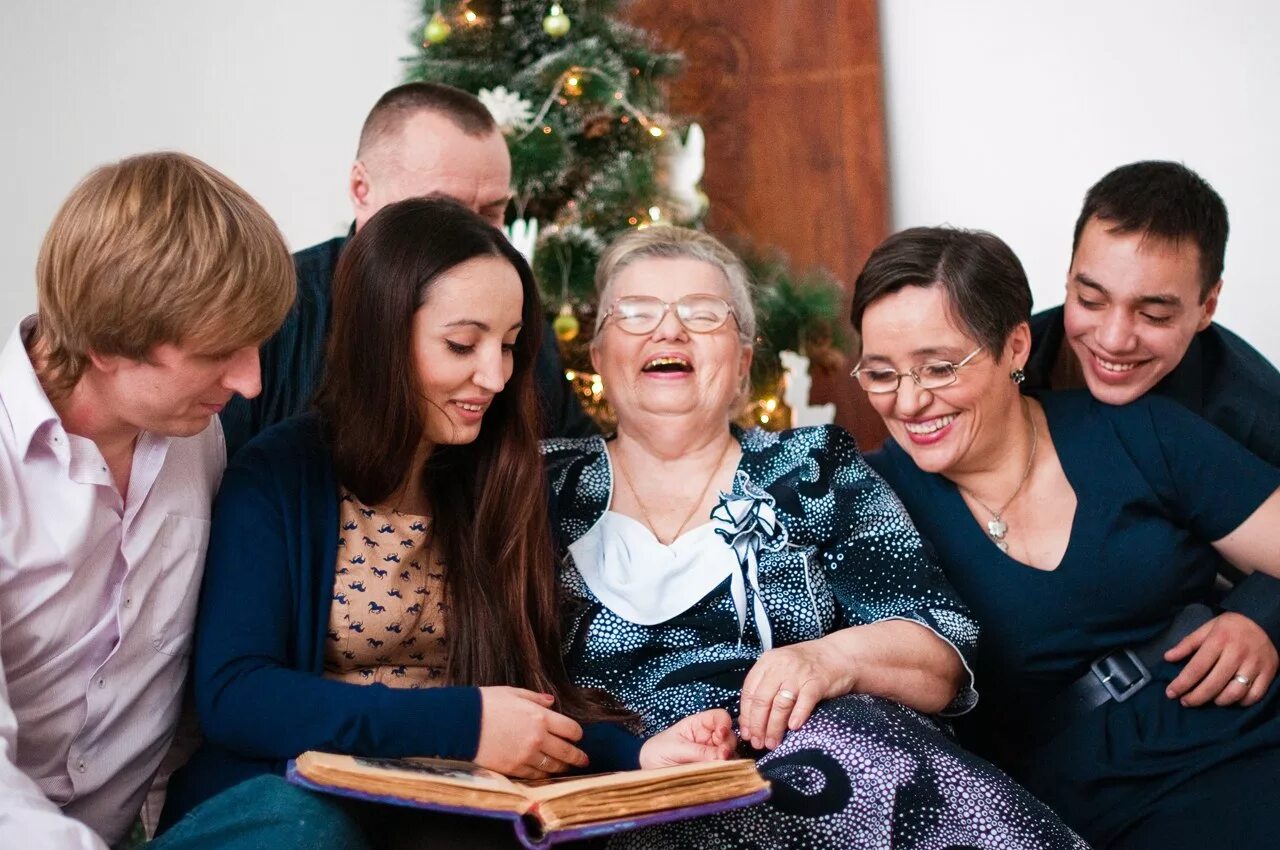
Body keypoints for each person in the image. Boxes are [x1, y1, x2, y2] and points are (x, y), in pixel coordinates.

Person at [157, 199, 732, 849]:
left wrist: (641, 756)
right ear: (384, 336)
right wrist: (460, 725)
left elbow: (523, 701)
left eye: (510, 346)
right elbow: (237, 695)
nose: (494, 376)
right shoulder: (279, 473)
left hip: (443, 810)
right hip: (291, 809)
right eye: (463, 344)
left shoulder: (497, 482)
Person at [544, 225, 1088, 849]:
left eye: (703, 314)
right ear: (597, 352)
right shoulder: (535, 485)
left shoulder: (812, 469)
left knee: (850, 745)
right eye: (637, 313)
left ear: (745, 360)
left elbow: (942, 650)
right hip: (620, 801)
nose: (669, 331)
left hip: (818, 792)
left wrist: (828, 659)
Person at [856, 226, 1280, 849]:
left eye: (939, 368)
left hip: (1247, 736)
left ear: (1015, 347)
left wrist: (1264, 616)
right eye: (881, 374)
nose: (911, 402)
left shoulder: (1142, 431)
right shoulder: (866, 502)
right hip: (1084, 807)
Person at [0, 152, 295, 849]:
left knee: (291, 819)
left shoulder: (195, 436)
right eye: (220, 350)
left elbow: (178, 693)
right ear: (108, 342)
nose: (250, 383)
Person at [219, 81, 596, 456]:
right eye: (441, 210)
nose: (473, 235)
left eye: (493, 212)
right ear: (361, 189)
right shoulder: (273, 312)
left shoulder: (512, 313)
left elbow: (572, 456)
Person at [1026, 161, 1280, 673]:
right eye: (1090, 299)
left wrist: (1261, 616)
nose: (1114, 339)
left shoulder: (1253, 410)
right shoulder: (1010, 360)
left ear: (1207, 306)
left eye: (1154, 314)